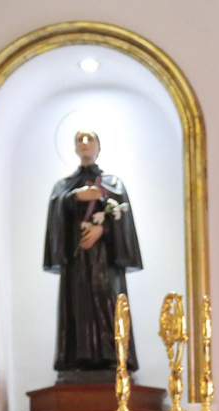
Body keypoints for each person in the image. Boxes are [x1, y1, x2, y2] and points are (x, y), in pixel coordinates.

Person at [42, 130, 142, 381]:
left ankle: (114, 359)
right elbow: (57, 218)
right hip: (77, 263)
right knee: (78, 306)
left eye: (90, 139)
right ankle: (76, 359)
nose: (85, 144)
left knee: (108, 303)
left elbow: (123, 220)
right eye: (80, 139)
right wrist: (74, 197)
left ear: (99, 147)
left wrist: (103, 228)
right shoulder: (64, 187)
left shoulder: (113, 183)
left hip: (106, 260)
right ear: (75, 148)